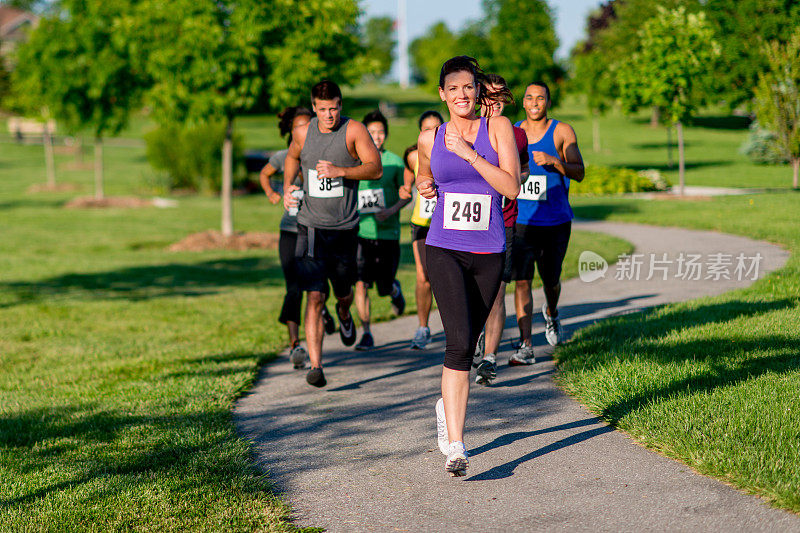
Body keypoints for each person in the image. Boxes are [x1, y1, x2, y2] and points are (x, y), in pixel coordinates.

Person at [417, 56, 519, 475]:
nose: (461, 94)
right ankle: (457, 447)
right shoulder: (431, 136)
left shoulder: (497, 129)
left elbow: (511, 188)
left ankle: (448, 402)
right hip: (443, 246)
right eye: (452, 88)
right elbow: (425, 175)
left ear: (478, 91)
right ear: (442, 94)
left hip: (488, 250)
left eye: (468, 87)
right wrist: (424, 183)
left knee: (469, 339)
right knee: (458, 344)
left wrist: (471, 155)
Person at [283, 80, 383, 387]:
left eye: (335, 108)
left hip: (344, 229)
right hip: (310, 226)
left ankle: (344, 313)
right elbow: (291, 158)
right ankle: (316, 366)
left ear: (341, 105)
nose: (329, 115)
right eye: (323, 109)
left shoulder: (353, 130)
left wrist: (341, 171)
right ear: (314, 107)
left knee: (342, 292)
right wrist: (288, 187)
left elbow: (375, 168)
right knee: (314, 295)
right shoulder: (303, 133)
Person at [511, 81, 585, 362]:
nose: (533, 102)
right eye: (529, 97)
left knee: (551, 280)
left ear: (547, 102)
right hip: (521, 221)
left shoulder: (562, 131)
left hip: (555, 221)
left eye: (539, 98)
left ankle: (552, 314)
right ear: (523, 102)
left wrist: (554, 161)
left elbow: (579, 172)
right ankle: (525, 343)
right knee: (521, 281)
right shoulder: (514, 132)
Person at [258, 106, 336, 369]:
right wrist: (271, 193)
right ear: (291, 131)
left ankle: (322, 310)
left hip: (315, 229)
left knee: (315, 287)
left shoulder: (320, 155)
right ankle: (294, 344)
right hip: (290, 231)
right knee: (293, 286)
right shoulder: (282, 157)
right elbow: (264, 174)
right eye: (297, 127)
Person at [473, 73, 531, 385]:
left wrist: (508, 176)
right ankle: (474, 338)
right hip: (467, 224)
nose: (494, 105)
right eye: (488, 99)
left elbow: (522, 169)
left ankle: (490, 358)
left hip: (503, 221)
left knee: (497, 291)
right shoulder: (464, 129)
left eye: (499, 99)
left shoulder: (515, 134)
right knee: (470, 292)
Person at [353, 110, 410, 350]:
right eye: (371, 132)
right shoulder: (353, 161)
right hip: (362, 233)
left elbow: (407, 195)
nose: (376, 136)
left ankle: (394, 290)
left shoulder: (395, 162)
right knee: (361, 283)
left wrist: (392, 209)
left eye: (381, 132)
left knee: (384, 286)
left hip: (388, 233)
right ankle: (366, 332)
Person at [400, 110, 444, 350]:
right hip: (422, 223)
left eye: (437, 127)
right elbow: (409, 167)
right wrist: (406, 187)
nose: (433, 133)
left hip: (447, 222)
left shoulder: (453, 153)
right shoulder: (415, 156)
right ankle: (423, 327)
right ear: (420, 133)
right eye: (427, 129)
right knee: (423, 276)